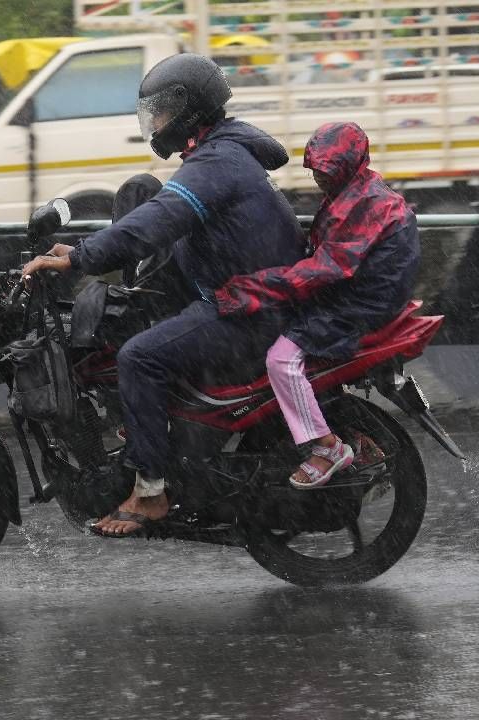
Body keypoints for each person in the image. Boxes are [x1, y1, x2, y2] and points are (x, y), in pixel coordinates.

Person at [21, 53, 303, 537]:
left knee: (139, 358)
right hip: (242, 294)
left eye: (162, 112)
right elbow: (155, 212)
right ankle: (154, 435)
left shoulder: (217, 162)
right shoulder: (221, 152)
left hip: (247, 313)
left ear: (188, 110)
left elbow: (159, 220)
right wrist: (86, 251)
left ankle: (149, 491)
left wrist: (80, 258)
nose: (155, 123)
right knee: (139, 192)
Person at [214, 121, 420, 488]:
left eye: (326, 171)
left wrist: (252, 287)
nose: (318, 178)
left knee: (281, 359)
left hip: (356, 307)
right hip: (355, 295)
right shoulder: (355, 191)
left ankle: (326, 447)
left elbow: (324, 270)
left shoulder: (364, 203)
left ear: (346, 166)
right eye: (316, 170)